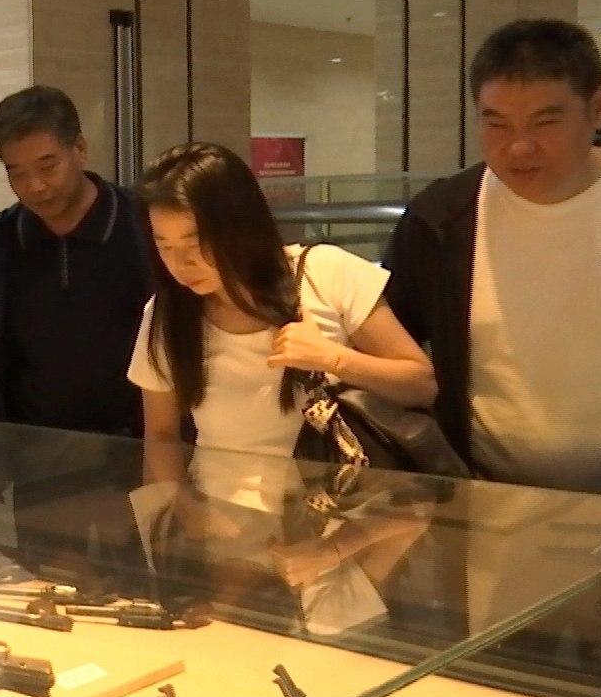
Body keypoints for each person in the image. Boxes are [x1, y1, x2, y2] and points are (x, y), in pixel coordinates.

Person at [383, 19, 601, 534]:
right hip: (486, 512)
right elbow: (389, 346)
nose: (519, 148)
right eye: (496, 124)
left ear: (597, 109)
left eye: (545, 122)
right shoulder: (440, 219)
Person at [130, 142, 437, 633]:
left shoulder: (322, 274)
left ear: (237, 226)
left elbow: (421, 383)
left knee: (329, 655)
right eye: (164, 246)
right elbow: (161, 435)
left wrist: (333, 358)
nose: (181, 263)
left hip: (340, 534)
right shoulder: (168, 316)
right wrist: (186, 508)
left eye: (194, 243)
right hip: (224, 538)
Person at [0, 86, 155, 559]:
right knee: (47, 589)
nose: (36, 186)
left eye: (47, 165)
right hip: (39, 459)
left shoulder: (143, 226)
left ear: (80, 148)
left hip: (134, 453)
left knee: (139, 587)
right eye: (17, 172)